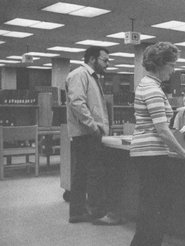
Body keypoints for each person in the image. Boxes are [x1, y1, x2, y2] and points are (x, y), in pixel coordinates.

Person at [130, 41, 185, 246]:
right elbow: (162, 130)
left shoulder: (148, 85)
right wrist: (184, 154)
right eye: (171, 65)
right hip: (151, 155)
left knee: (150, 210)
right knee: (154, 212)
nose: (173, 70)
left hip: (147, 153)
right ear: (160, 64)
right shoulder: (153, 89)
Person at [66, 46, 122, 224]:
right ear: (92, 59)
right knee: (94, 173)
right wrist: (93, 127)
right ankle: (98, 214)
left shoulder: (90, 77)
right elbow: (77, 103)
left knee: (82, 173)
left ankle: (77, 212)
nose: (107, 64)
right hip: (86, 133)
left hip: (87, 133)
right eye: (104, 60)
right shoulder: (79, 75)